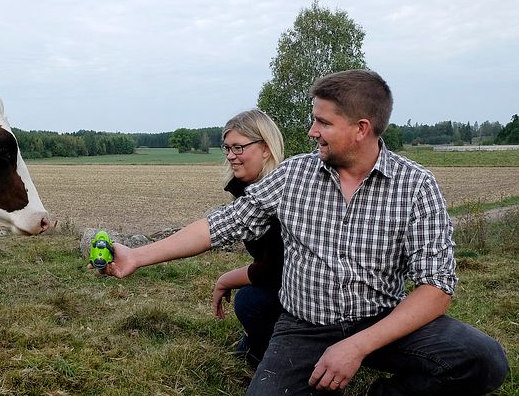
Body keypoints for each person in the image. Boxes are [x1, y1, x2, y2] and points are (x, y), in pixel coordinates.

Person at [103, 69, 509, 394]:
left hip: (382, 321)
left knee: (485, 361)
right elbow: (219, 226)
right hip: (304, 327)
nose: (312, 131)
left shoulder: (417, 186)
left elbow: (436, 287)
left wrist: (357, 346)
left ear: (361, 128)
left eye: (322, 122)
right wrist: (137, 255)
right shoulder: (294, 175)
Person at [211, 110, 285, 369]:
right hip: (285, 284)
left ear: (265, 149)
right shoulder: (247, 190)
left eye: (238, 147)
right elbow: (212, 230)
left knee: (249, 300)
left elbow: (276, 268)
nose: (230, 156)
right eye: (227, 148)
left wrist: (225, 280)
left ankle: (276, 361)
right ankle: (258, 341)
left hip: (309, 290)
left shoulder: (279, 194)